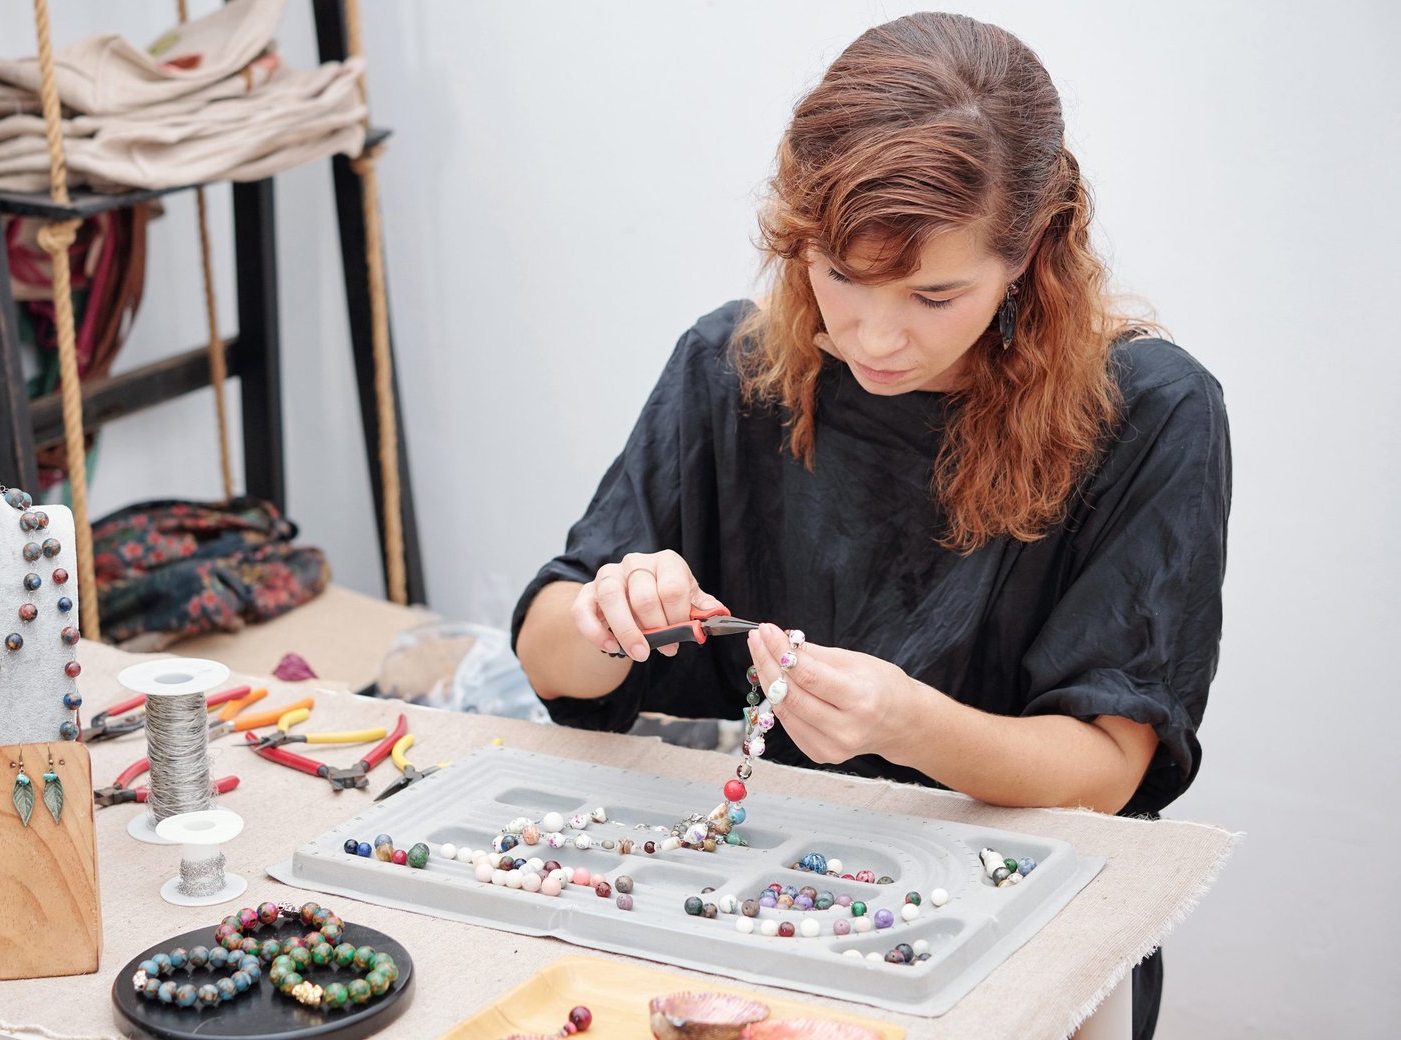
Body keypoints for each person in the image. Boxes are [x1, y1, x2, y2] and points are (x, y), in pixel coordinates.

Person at [510, 12, 1228, 1039]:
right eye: (838, 275)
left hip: (1012, 911)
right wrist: (601, 613)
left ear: (1026, 250)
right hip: (749, 897)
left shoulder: (1150, 412)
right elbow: (544, 652)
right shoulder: (733, 365)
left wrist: (906, 721)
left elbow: (1106, 767)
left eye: (935, 293)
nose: (876, 336)